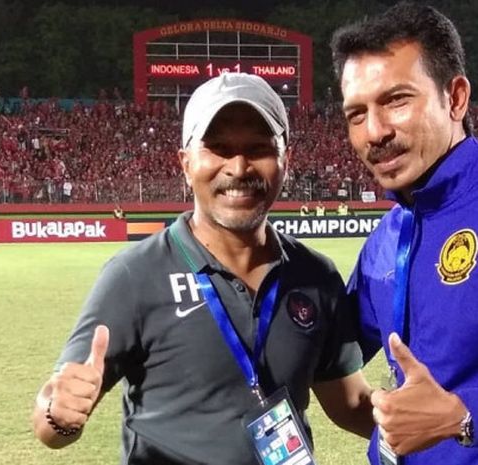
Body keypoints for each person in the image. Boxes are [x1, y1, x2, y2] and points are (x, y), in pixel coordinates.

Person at [31, 73, 374, 464]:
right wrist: (56, 412)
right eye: (219, 148)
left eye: (259, 148)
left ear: (286, 160)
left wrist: (440, 418)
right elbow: (52, 418)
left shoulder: (316, 276)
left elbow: (350, 402)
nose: (239, 166)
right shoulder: (134, 276)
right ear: (186, 162)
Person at [332, 3, 477, 464]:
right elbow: (330, 345)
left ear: (455, 98)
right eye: (356, 114)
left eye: (396, 100)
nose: (374, 131)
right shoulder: (388, 235)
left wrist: (464, 418)